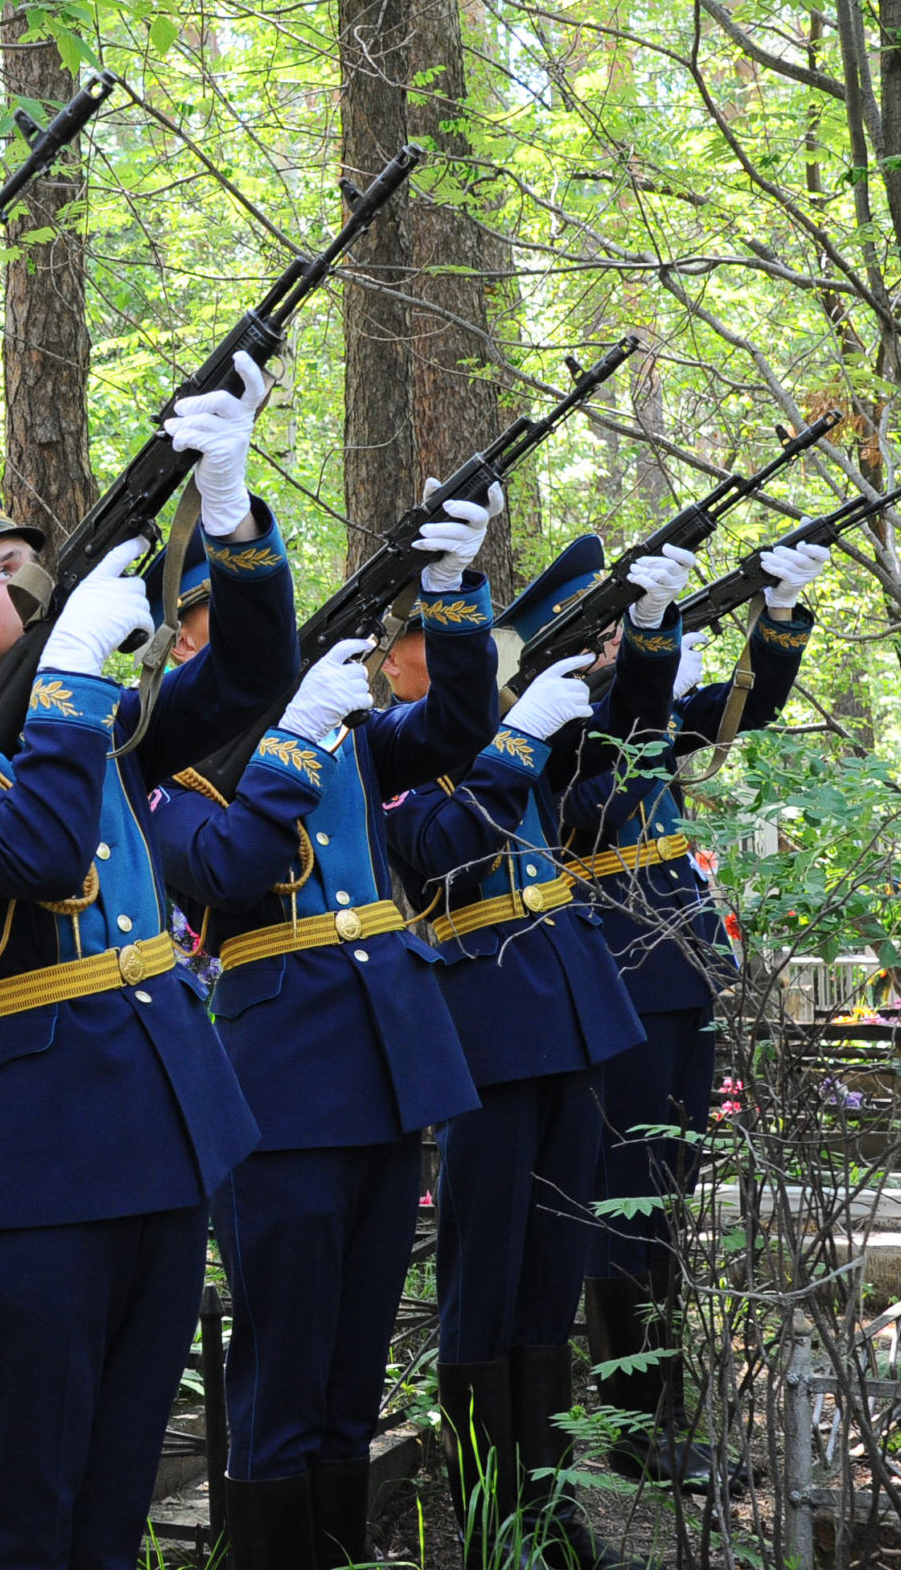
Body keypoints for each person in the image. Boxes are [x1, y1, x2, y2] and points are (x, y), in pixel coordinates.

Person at [0, 355, 296, 1570]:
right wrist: (65, 682)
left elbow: (258, 677)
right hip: (47, 1164)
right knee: (34, 1504)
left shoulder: (90, 725)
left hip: (161, 1135)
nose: (39, 589)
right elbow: (47, 854)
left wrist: (227, 505)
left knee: (117, 1491)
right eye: (2, 578)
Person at [149, 481, 509, 1568]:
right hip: (285, 1078)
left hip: (389, 1063)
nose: (256, 646)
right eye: (228, 623)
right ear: (183, 638)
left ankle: (340, 1552)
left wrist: (449, 594)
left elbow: (456, 723)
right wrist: (292, 736)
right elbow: (222, 868)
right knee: (282, 1360)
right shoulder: (166, 755)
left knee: (353, 1360)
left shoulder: (343, 730)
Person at [381, 533, 693, 1570]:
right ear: (400, 661)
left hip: (570, 1010)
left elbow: (635, 726)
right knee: (486, 1279)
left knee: (550, 1276)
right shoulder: (382, 745)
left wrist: (647, 627)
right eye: (441, 640)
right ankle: (487, 1517)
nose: (472, 654)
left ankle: (546, 1507)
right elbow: (434, 853)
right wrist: (509, 742)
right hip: (487, 1026)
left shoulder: (517, 732)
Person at [560, 540, 829, 1488]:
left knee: (669, 1198)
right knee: (626, 1200)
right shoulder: (553, 730)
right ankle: (639, 1425)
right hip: (619, 972)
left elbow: (749, 707)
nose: (622, 650)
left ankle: (673, 1411)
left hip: (683, 971)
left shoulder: (647, 715)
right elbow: (585, 806)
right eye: (613, 634)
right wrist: (638, 685)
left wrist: (779, 617)